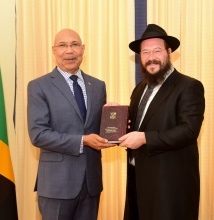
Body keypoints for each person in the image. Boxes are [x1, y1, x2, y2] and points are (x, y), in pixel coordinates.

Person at [119, 24, 205, 220]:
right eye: (145, 52)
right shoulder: (140, 89)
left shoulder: (189, 86)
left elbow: (189, 131)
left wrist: (145, 138)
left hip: (170, 186)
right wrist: (117, 116)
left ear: (169, 52)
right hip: (137, 180)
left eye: (157, 50)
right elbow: (138, 126)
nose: (151, 57)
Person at [27, 28, 115, 220]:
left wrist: (115, 119)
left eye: (74, 45)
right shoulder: (39, 86)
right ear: (54, 50)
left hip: (91, 184)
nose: (69, 51)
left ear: (83, 49)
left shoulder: (98, 85)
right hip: (56, 185)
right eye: (63, 45)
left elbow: (100, 128)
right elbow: (38, 134)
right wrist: (83, 141)